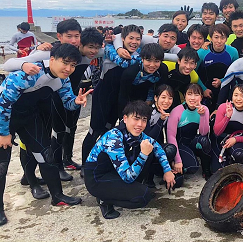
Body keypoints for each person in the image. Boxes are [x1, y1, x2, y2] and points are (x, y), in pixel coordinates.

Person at [0, 43, 92, 225]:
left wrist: (77, 101)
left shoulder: (62, 79)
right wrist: (3, 133)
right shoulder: (27, 74)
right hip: (4, 119)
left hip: (28, 117)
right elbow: (3, 104)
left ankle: (57, 196)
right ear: (51, 60)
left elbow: (68, 102)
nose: (69, 68)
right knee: (2, 165)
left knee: (46, 156)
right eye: (65, 63)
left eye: (73, 65)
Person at [3, 23, 104, 185]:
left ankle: (63, 163)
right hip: (38, 104)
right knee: (37, 142)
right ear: (59, 37)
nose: (73, 40)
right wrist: (24, 64)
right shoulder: (47, 53)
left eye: (77, 36)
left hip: (61, 98)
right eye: (68, 36)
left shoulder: (84, 54)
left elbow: (108, 50)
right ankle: (31, 177)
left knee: (60, 135)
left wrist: (117, 45)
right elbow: (8, 66)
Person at [84, 100, 175, 219]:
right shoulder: (114, 138)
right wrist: (143, 154)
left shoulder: (135, 134)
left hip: (115, 172)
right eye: (136, 119)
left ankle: (127, 189)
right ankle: (104, 199)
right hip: (97, 179)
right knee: (142, 197)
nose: (140, 124)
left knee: (149, 149)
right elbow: (127, 177)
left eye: (144, 120)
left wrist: (167, 171)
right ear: (125, 118)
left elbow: (158, 148)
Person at [82, 25, 143, 170]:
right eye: (131, 38)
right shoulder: (110, 49)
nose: (134, 42)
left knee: (109, 131)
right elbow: (124, 62)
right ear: (123, 39)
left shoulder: (138, 52)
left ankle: (102, 162)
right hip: (102, 96)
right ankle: (85, 165)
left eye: (138, 39)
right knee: (94, 131)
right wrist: (116, 45)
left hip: (119, 99)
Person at [166, 84, 211, 180]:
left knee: (204, 140)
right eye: (189, 94)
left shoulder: (204, 109)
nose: (193, 98)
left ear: (201, 97)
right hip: (180, 145)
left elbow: (204, 133)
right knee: (192, 168)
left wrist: (203, 116)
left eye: (196, 95)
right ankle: (175, 165)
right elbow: (171, 137)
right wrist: (177, 160)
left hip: (192, 143)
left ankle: (206, 170)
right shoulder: (177, 111)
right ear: (185, 96)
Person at [211, 84, 243, 173]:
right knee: (217, 172)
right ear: (232, 96)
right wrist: (227, 117)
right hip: (219, 141)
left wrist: (235, 139)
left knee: (239, 154)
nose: (238, 99)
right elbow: (217, 132)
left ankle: (234, 162)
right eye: (236, 95)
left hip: (235, 141)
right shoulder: (224, 107)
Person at [117, 43, 168, 117]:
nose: (152, 65)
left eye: (156, 61)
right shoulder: (130, 73)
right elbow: (123, 97)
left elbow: (161, 90)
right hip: (131, 96)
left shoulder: (162, 70)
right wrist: (123, 117)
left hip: (150, 97)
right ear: (142, 59)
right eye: (148, 60)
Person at [197, 24, 239, 111]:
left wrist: (222, 80)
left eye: (222, 37)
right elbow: (193, 72)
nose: (219, 41)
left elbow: (236, 73)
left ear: (226, 39)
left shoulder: (233, 52)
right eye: (216, 37)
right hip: (205, 91)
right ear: (211, 38)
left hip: (225, 90)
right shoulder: (202, 52)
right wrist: (203, 89)